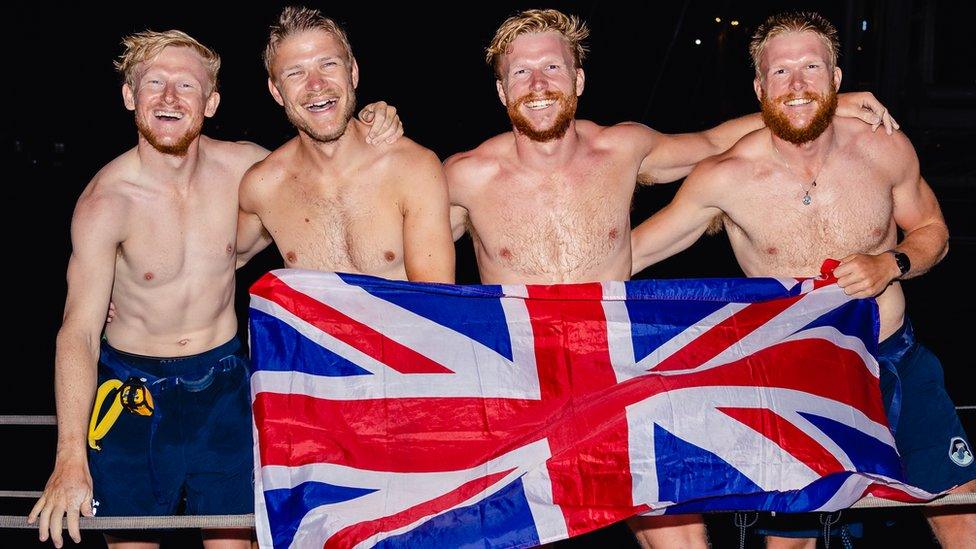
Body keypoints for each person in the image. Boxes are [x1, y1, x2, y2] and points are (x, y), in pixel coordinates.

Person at [444, 9, 895, 547]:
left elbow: (709, 144)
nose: (538, 85)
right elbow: (399, 270)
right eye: (521, 72)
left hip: (617, 375)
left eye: (553, 68)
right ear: (500, 90)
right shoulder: (464, 176)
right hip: (519, 380)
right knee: (493, 533)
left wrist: (821, 106)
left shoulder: (623, 149)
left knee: (679, 537)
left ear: (579, 80)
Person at [26, 29, 401, 549]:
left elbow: (331, 179)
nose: (169, 98)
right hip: (132, 393)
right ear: (130, 97)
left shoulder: (248, 167)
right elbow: (79, 333)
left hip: (223, 384)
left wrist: (368, 122)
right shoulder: (106, 202)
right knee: (132, 543)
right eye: (154, 83)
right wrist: (69, 457)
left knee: (236, 542)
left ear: (211, 102)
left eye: (186, 85)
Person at [630, 11, 976, 548]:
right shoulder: (725, 177)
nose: (796, 85)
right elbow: (628, 255)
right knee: (791, 540)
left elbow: (934, 230)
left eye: (811, 68)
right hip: (794, 380)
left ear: (836, 79)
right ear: (758, 87)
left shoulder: (884, 147)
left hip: (895, 360)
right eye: (780, 73)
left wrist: (894, 262)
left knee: (965, 511)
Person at [237, 6, 455, 283]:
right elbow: (224, 259)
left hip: (397, 327)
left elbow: (434, 303)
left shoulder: (412, 168)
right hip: (309, 328)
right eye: (295, 73)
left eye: (328, 64)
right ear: (277, 92)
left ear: (352, 72)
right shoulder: (263, 186)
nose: (316, 84)